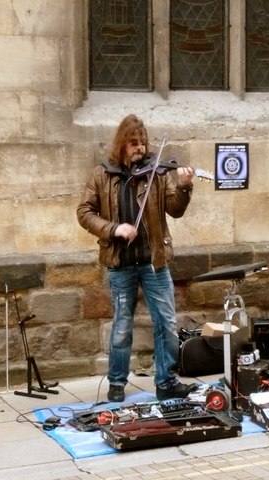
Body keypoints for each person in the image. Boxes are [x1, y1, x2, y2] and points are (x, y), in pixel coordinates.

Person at [76, 114, 199, 402]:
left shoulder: (156, 173)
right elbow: (84, 212)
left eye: (143, 143)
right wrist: (114, 228)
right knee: (122, 326)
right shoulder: (101, 174)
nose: (140, 149)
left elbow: (174, 209)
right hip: (120, 265)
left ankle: (166, 381)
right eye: (133, 143)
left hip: (153, 261)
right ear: (122, 144)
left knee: (166, 323)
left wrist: (183, 186)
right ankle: (117, 382)